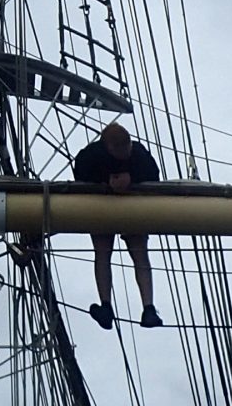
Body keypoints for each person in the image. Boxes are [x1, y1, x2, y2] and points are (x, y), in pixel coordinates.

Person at [70, 122, 162, 329]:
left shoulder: (133, 153)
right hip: (113, 206)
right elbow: (81, 175)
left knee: (119, 253)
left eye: (127, 148)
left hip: (117, 206)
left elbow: (154, 178)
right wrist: (108, 182)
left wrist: (129, 180)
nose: (125, 153)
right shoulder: (94, 155)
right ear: (109, 147)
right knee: (118, 253)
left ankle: (143, 307)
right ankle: (123, 306)